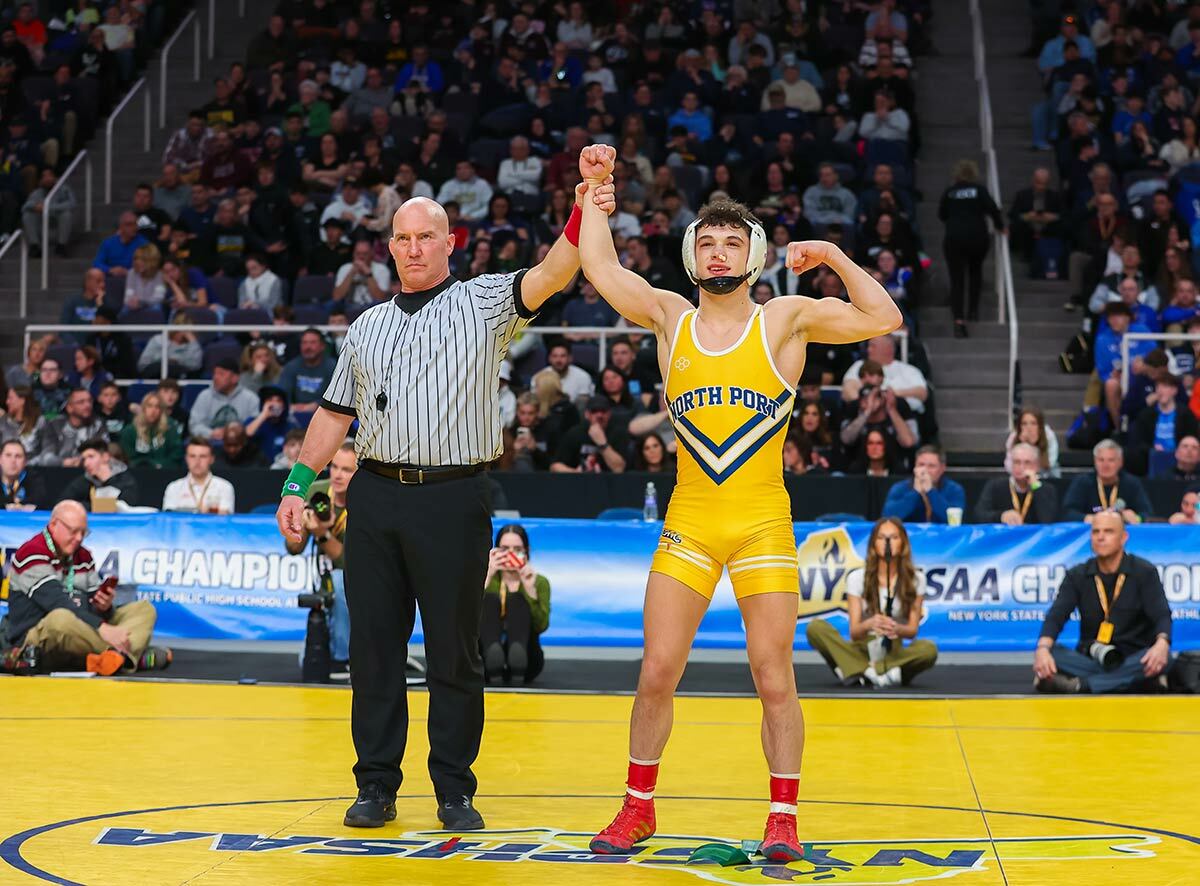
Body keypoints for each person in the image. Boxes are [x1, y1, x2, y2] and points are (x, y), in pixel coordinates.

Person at [576, 144, 902, 860]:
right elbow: (599, 269)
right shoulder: (668, 317)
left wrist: (837, 259)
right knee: (658, 667)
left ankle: (782, 817)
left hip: (760, 522)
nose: (718, 253)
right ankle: (637, 808)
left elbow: (881, 318)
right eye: (706, 242)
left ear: (752, 255)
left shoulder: (782, 317)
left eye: (731, 242)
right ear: (692, 255)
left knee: (771, 669)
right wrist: (592, 189)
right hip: (690, 519)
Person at [275, 176, 617, 831]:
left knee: (454, 653)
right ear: (389, 248)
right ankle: (375, 785)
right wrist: (297, 483)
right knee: (374, 650)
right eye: (401, 238)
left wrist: (581, 206)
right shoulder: (367, 325)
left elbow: (552, 273)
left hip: (455, 496)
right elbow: (332, 414)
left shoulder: (482, 302)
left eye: (425, 236)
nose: (412, 248)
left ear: (450, 243)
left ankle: (454, 790)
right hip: (374, 495)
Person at [2, 502, 170, 675]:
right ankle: (130, 656)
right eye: (73, 531)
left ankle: (112, 658)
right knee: (60, 619)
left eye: (83, 532)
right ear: (53, 525)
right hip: (39, 636)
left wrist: (103, 607)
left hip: (83, 630)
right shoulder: (31, 553)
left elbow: (93, 609)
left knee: (143, 609)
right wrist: (102, 628)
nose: (79, 538)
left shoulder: (83, 556)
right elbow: (58, 604)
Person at [1034, 511, 1173, 694]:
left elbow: (1161, 615)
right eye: (1095, 532)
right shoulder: (1078, 574)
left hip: (1133, 655)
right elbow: (1056, 616)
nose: (1100, 537)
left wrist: (1162, 644)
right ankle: (1132, 682)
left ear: (1123, 537)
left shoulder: (1144, 572)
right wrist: (1042, 649)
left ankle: (1081, 686)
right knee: (1051, 653)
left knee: (1164, 658)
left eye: (1108, 532)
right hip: (1092, 656)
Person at [806, 518, 937, 688]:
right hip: (862, 649)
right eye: (882, 538)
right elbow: (855, 632)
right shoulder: (857, 577)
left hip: (893, 651)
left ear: (903, 542)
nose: (887, 543)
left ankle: (858, 671)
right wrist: (870, 623)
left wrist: (896, 628)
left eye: (894, 537)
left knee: (928, 649)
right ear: (874, 543)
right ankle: (877, 672)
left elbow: (912, 630)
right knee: (815, 628)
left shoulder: (916, 579)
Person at [284, 441, 358, 672]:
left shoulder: (364, 499)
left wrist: (322, 533)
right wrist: (302, 527)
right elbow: (293, 549)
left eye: (346, 470)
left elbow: (348, 562)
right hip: (323, 578)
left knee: (340, 580)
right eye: (334, 467)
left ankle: (341, 659)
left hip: (360, 579)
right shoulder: (317, 491)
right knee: (308, 662)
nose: (337, 475)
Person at [938, 159, 1005, 338]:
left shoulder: (950, 192)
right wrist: (1001, 226)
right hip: (977, 237)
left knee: (957, 279)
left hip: (954, 238)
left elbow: (942, 215)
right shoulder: (979, 190)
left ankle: (959, 320)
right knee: (975, 273)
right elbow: (993, 209)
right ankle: (973, 310)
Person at [481, 523, 551, 684]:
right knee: (490, 599)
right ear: (495, 551)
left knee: (516, 600)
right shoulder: (485, 579)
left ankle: (517, 659)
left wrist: (529, 590)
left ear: (526, 551)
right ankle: (493, 659)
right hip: (483, 659)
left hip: (527, 659)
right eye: (505, 549)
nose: (511, 554)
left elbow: (541, 626)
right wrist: (487, 576)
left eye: (517, 549)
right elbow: (465, 621)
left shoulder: (539, 582)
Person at [1061, 439, 1154, 522]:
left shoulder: (1131, 483)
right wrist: (1088, 518)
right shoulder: (1083, 482)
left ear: (1120, 462)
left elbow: (1147, 514)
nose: (1105, 465)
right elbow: (1068, 513)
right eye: (1101, 460)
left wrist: (1137, 518)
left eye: (1111, 460)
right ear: (1095, 461)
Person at [974, 443, 1060, 525]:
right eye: (1017, 462)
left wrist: (1036, 487)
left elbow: (1048, 520)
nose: (1021, 467)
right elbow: (979, 515)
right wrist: (1001, 516)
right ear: (1011, 465)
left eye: (1027, 463)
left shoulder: (1047, 489)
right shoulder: (995, 486)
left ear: (1036, 466)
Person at [881, 445, 965, 523]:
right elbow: (887, 518)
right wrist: (915, 493)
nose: (925, 471)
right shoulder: (900, 488)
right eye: (921, 465)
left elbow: (954, 521)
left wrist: (931, 492)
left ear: (942, 468)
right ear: (915, 467)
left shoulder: (954, 490)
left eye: (931, 466)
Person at [188, 358, 260, 442]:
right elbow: (194, 425)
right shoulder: (204, 396)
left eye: (221, 374)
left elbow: (254, 427)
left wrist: (234, 434)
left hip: (240, 446)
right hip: (210, 443)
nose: (215, 377)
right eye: (215, 373)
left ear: (235, 378)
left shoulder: (251, 398)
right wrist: (211, 433)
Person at [60, 438, 140, 510]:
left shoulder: (125, 481)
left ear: (105, 457)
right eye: (84, 459)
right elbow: (62, 504)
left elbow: (124, 507)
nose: (86, 463)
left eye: (91, 457)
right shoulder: (83, 481)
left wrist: (85, 506)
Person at [162, 438, 235, 514]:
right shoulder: (174, 488)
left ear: (212, 459)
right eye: (192, 456)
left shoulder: (225, 487)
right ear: (186, 459)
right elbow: (169, 518)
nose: (197, 461)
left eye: (203, 456)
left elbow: (225, 519)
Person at [277, 328, 337, 420]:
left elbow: (336, 396)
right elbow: (283, 392)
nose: (307, 347)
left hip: (325, 414)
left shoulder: (333, 367)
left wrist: (317, 404)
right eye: (304, 343)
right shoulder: (291, 366)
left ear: (322, 346)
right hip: (294, 415)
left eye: (312, 342)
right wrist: (290, 406)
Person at [44, 388, 107, 468]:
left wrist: (81, 461)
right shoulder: (55, 425)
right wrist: (63, 462)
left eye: (89, 401)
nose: (87, 405)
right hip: (59, 471)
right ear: (69, 408)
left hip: (90, 470)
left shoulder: (98, 424)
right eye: (81, 402)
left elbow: (103, 453)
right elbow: (46, 457)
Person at [119, 392, 183, 469]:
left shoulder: (170, 429)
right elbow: (128, 459)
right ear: (143, 408)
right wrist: (149, 465)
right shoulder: (130, 431)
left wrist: (159, 465)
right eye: (149, 406)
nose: (153, 411)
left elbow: (176, 456)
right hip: (137, 473)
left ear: (161, 410)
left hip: (165, 472)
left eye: (157, 407)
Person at [0, 439, 47, 510]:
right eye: (8, 455)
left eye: (18, 456)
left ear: (25, 461)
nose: (13, 461)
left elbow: (40, 501)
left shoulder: (35, 479)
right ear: (0, 459)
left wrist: (9, 505)